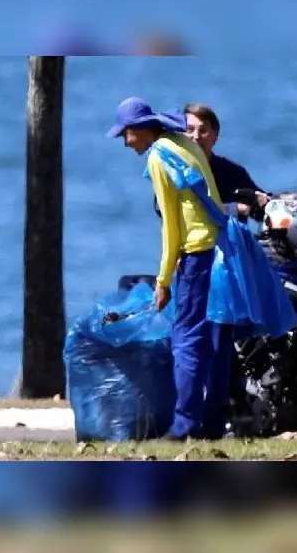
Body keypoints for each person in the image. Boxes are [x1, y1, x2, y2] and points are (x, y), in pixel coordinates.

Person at [106, 96, 232, 441]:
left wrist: (162, 280)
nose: (126, 142)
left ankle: (184, 425)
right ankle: (212, 424)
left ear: (140, 129)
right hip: (217, 246)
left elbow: (171, 227)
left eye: (126, 134)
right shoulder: (181, 142)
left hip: (195, 252)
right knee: (213, 339)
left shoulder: (159, 158)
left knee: (186, 341)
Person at [154, 103, 270, 222]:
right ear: (181, 135)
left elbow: (265, 208)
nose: (196, 136)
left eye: (203, 130)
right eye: (190, 130)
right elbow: (165, 209)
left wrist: (263, 203)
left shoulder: (232, 172)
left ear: (215, 136)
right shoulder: (174, 171)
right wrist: (235, 209)